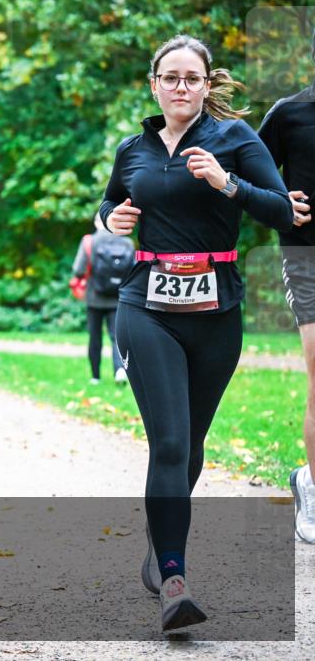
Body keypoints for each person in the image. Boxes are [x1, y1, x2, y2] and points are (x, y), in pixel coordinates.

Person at [100, 35, 293, 632]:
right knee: (172, 444)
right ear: (153, 84)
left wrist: (227, 184)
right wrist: (112, 218)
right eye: (171, 77)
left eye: (193, 78)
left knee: (193, 446)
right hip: (147, 305)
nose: (182, 87)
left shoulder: (235, 140)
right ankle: (176, 582)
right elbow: (107, 208)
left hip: (217, 309)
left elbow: (283, 210)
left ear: (207, 86)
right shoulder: (132, 149)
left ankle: (161, 544)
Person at [258, 33, 315, 544]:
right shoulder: (289, 113)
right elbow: (245, 173)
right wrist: (279, 198)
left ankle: (304, 474)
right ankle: (314, 489)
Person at [71, 218, 135, 384]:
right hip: (119, 298)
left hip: (94, 298)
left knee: (95, 337)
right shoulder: (127, 243)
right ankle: (120, 370)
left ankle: (95, 376)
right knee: (117, 337)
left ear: (97, 222)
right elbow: (134, 271)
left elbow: (78, 270)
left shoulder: (90, 241)